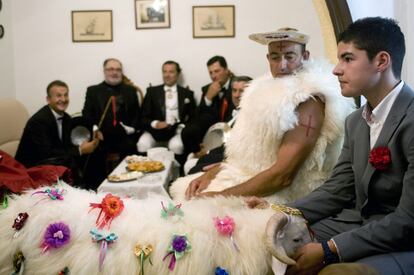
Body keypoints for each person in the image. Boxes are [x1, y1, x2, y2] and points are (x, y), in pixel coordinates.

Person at [251, 17, 414, 275]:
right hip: (357, 223)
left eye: (347, 59)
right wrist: (278, 210)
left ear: (381, 61)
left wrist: (331, 249)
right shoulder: (355, 122)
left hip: (404, 242)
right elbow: (337, 190)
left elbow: (408, 220)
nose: (336, 69)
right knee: (267, 244)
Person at [170, 28, 354, 202]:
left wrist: (219, 196)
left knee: (189, 206)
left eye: (290, 56)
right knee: (184, 191)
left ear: (305, 56)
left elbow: (283, 177)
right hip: (251, 177)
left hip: (283, 196)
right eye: (275, 57)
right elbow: (255, 155)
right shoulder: (263, 89)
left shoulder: (308, 100)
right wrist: (216, 171)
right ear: (268, 58)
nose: (282, 65)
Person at [15, 80, 100, 186]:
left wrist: (93, 134)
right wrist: (80, 150)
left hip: (53, 161)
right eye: (58, 96)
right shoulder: (39, 121)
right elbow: (47, 154)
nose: (63, 99)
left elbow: (65, 147)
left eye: (66, 95)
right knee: (73, 161)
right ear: (48, 99)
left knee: (95, 156)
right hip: (32, 167)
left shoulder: (66, 118)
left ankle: (92, 191)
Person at [185, 75, 252, 175]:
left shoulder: (251, 116)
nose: (236, 95)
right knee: (192, 158)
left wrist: (207, 152)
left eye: (241, 91)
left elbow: (238, 149)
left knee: (191, 166)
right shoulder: (233, 110)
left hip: (236, 159)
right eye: (234, 90)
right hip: (224, 151)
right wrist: (207, 148)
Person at [82, 58, 141, 170]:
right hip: (102, 135)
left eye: (118, 69)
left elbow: (137, 114)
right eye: (111, 69)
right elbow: (87, 114)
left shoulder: (130, 90)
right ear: (104, 71)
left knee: (132, 149)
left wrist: (132, 129)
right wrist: (95, 130)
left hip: (125, 134)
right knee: (94, 153)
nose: (114, 72)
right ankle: (97, 185)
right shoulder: (93, 91)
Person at [137, 60, 196, 157]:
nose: (167, 75)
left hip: (176, 131)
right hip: (154, 132)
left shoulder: (187, 94)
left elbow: (193, 118)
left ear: (178, 74)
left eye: (171, 72)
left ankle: (177, 172)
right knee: (142, 144)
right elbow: (142, 117)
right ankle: (145, 170)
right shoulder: (152, 92)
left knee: (177, 146)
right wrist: (155, 124)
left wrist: (182, 127)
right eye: (164, 71)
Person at [181, 55, 234, 157]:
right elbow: (199, 116)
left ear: (226, 70)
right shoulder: (207, 89)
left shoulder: (237, 85)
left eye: (217, 71)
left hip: (230, 127)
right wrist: (208, 97)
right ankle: (197, 154)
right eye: (210, 72)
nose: (213, 76)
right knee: (188, 130)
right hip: (211, 130)